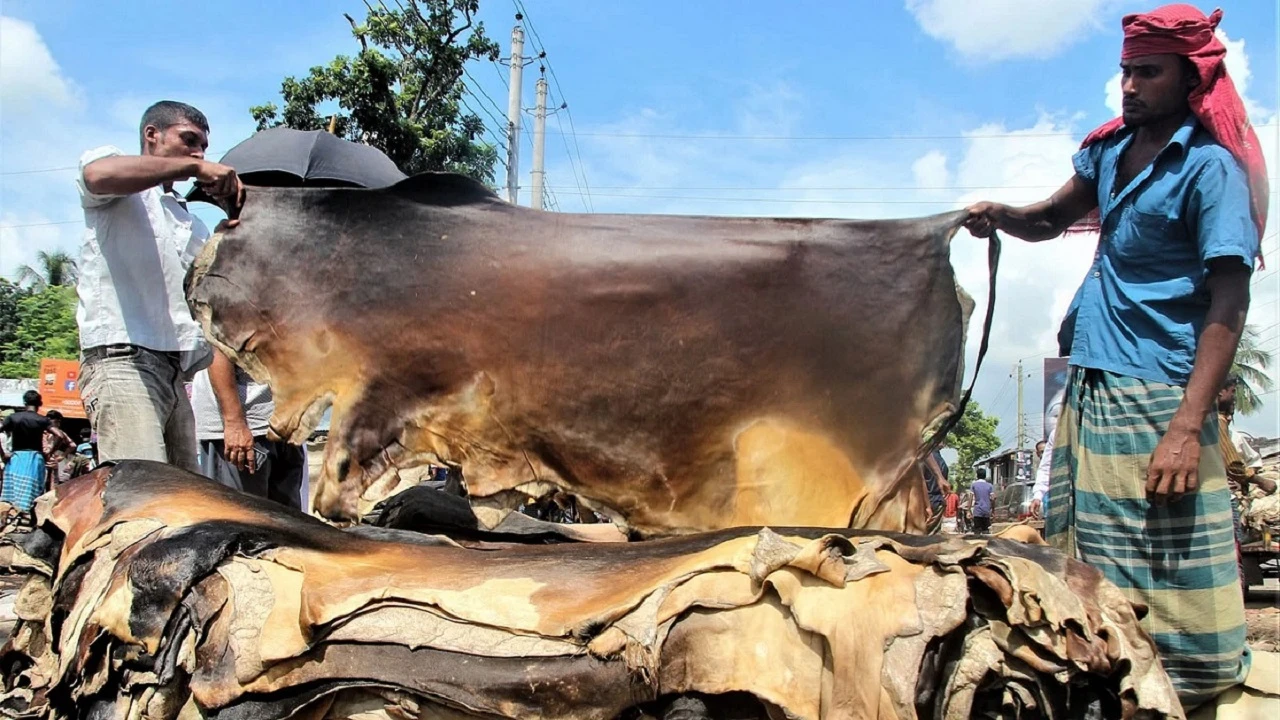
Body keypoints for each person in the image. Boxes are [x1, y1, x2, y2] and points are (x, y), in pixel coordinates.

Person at [964, 4, 1263, 707]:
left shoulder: (1208, 169)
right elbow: (1048, 219)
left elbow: (1229, 301)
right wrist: (997, 215)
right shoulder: (1109, 153)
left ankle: (1187, 686)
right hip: (1093, 382)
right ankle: (1111, 681)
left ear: (1190, 79)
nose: (1129, 86)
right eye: (1125, 71)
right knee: (1093, 555)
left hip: (1160, 390)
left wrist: (1187, 427)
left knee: (1167, 549)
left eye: (1147, 72)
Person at [76, 100, 241, 473]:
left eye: (203, 147)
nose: (198, 153)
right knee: (144, 492)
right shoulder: (118, 183)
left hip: (174, 371)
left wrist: (234, 223)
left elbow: (213, 297)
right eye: (189, 140)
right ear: (152, 135)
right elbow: (97, 175)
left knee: (182, 496)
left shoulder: (188, 222)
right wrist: (194, 168)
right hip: (122, 360)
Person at [192, 352, 306, 509]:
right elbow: (218, 351)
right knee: (239, 517)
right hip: (245, 427)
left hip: (286, 423)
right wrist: (234, 422)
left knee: (287, 520)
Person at [0, 391, 74, 524]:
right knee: (31, 493)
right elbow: (60, 436)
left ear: (24, 402)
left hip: (16, 458)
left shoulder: (13, 418)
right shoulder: (42, 420)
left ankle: (9, 521)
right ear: (40, 403)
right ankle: (28, 522)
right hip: (35, 459)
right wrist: (50, 452)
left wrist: (3, 454)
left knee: (11, 494)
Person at [970, 468, 994, 534]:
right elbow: (993, 499)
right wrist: (992, 510)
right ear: (985, 476)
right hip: (986, 511)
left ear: (977, 475)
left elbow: (970, 498)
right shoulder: (990, 486)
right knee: (986, 530)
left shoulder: (974, 485)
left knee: (977, 530)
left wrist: (969, 510)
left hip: (977, 511)